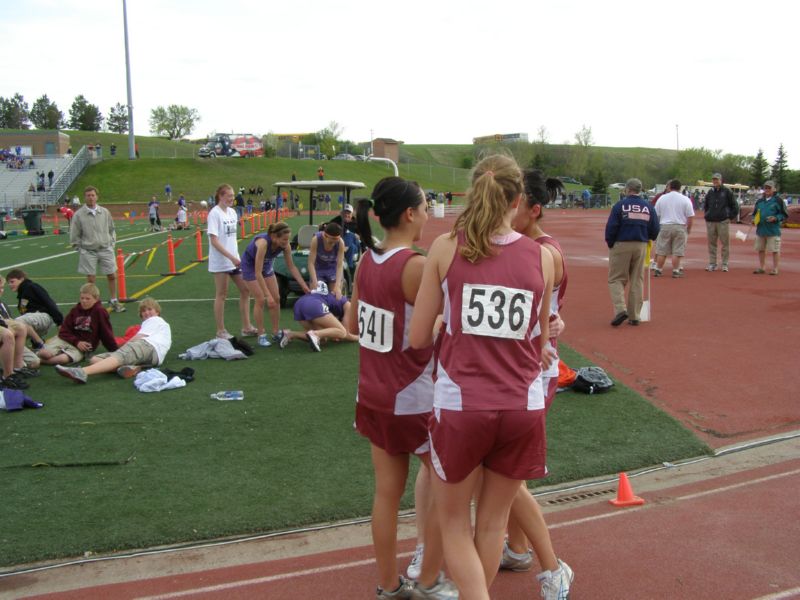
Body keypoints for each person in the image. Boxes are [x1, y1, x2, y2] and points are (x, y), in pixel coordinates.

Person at [408, 155, 563, 598]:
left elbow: (419, 337)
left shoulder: (444, 248)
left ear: (473, 192)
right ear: (517, 201)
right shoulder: (544, 257)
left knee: (454, 523)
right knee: (493, 522)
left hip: (462, 405)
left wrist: (443, 323)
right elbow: (539, 341)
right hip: (522, 406)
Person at [347, 176, 455, 599]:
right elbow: (436, 332)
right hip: (414, 397)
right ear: (410, 214)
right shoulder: (414, 266)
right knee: (448, 487)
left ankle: (389, 586)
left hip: (371, 393)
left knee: (386, 496)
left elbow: (353, 325)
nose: (429, 214)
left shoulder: (365, 262)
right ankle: (429, 580)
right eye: (426, 206)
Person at [56, 297, 171, 383]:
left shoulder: (156, 320)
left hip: (148, 346)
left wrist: (122, 349)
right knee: (95, 359)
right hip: (151, 355)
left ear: (157, 311)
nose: (147, 313)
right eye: (143, 311)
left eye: (150, 309)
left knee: (120, 354)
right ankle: (133, 368)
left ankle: (83, 372)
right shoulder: (153, 324)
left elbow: (138, 338)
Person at [240, 221, 309, 347]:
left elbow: (291, 267)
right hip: (250, 266)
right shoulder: (263, 244)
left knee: (276, 298)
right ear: (274, 237)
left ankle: (276, 331)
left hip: (266, 265)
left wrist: (303, 285)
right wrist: (267, 295)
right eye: (284, 239)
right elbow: (257, 272)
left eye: (288, 239)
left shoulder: (285, 245)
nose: (286, 242)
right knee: (261, 299)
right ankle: (261, 334)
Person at [605, 178, 660, 327]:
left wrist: (611, 243)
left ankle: (620, 309)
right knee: (637, 279)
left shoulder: (620, 206)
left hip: (622, 243)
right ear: (640, 190)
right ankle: (635, 316)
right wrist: (649, 238)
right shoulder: (648, 206)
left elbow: (611, 227)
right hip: (641, 245)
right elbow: (655, 228)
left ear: (628, 189)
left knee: (616, 279)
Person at [207, 184, 255, 340]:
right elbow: (214, 241)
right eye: (228, 195)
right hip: (221, 261)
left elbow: (231, 238)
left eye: (233, 195)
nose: (232, 198)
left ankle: (246, 327)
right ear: (220, 196)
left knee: (245, 290)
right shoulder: (214, 214)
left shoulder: (233, 212)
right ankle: (220, 331)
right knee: (222, 294)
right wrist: (230, 257)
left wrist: (236, 257)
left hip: (234, 259)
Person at [69, 186, 126, 312]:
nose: (91, 197)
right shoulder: (79, 215)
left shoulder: (105, 212)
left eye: (93, 195)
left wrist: (112, 243)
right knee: (91, 279)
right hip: (88, 250)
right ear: (85, 198)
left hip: (105, 248)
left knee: (112, 275)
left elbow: (112, 229)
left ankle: (113, 300)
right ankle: (92, 303)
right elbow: (74, 233)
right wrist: (79, 248)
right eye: (88, 195)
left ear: (97, 196)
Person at [37, 283, 118, 366]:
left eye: (88, 299)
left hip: (81, 347)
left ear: (96, 299)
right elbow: (63, 331)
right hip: (66, 340)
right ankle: (35, 357)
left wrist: (115, 351)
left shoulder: (99, 311)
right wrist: (76, 341)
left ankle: (37, 361)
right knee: (45, 354)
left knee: (62, 359)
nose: (84, 301)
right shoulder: (75, 310)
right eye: (82, 298)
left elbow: (106, 333)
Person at [278, 282, 357, 351]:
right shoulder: (348, 306)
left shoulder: (335, 302)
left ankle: (290, 334)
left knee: (322, 339)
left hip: (299, 304)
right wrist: (359, 338)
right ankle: (315, 334)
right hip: (314, 304)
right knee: (342, 332)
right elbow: (346, 334)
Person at [5, 268, 64, 349]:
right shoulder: (22, 294)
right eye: (8, 283)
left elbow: (49, 302)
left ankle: (40, 344)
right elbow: (26, 314)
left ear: (21, 279)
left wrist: (60, 322)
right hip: (35, 321)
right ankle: (34, 348)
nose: (10, 285)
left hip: (44, 316)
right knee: (14, 334)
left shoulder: (31, 287)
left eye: (12, 281)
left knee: (17, 323)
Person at [653, 179, 694, 278]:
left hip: (664, 226)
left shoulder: (662, 198)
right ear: (680, 188)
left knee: (662, 250)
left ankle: (658, 269)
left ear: (670, 187)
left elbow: (656, 214)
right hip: (679, 226)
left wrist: (657, 226)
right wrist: (688, 229)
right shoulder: (685, 199)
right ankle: (676, 270)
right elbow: (690, 216)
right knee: (677, 251)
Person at [751, 180, 788, 276]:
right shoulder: (759, 201)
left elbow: (784, 214)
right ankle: (762, 267)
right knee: (761, 249)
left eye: (769, 188)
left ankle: (775, 268)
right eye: (766, 188)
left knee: (775, 250)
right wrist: (753, 219)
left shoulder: (778, 200)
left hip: (773, 230)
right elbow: (755, 214)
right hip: (761, 229)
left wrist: (776, 218)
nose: (767, 189)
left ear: (774, 189)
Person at [703, 173, 738, 272]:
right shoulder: (710, 192)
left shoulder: (727, 191)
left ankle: (725, 263)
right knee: (711, 243)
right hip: (711, 221)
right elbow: (706, 205)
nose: (715, 181)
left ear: (721, 180)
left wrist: (729, 217)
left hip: (723, 221)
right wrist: (707, 215)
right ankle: (712, 263)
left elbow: (735, 206)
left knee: (725, 243)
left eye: (717, 179)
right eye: (714, 179)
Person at [308, 222, 346, 298]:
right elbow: (311, 263)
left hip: (332, 269)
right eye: (331, 241)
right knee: (316, 296)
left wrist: (337, 286)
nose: (333, 244)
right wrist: (315, 281)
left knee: (335, 296)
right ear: (325, 236)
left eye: (335, 241)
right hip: (318, 269)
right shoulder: (316, 240)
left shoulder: (340, 243)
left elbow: (339, 265)